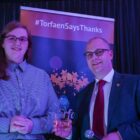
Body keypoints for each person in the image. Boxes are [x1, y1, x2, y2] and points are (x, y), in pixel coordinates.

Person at [0, 21, 60, 140]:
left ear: (28, 45)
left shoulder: (42, 76)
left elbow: (56, 115)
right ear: (2, 43)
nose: (17, 43)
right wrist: (7, 124)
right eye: (12, 38)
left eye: (22, 39)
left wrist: (34, 125)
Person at [72, 37, 140, 140]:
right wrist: (68, 134)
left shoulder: (134, 84)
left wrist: (120, 135)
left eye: (99, 52)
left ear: (110, 54)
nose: (94, 58)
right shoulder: (82, 95)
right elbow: (79, 133)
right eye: (89, 55)